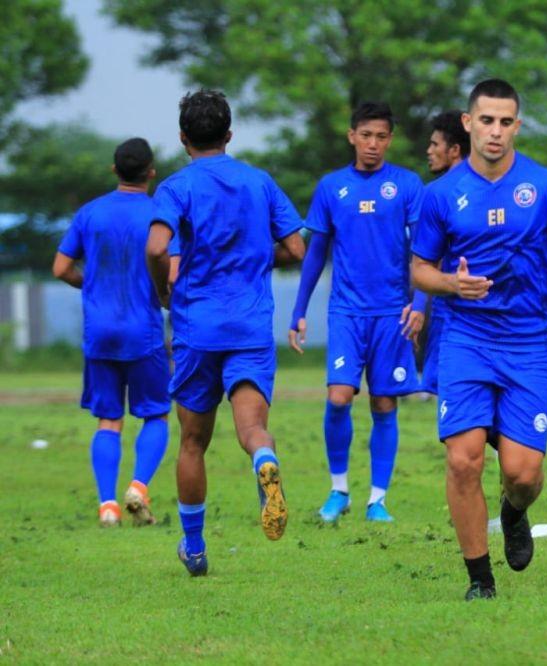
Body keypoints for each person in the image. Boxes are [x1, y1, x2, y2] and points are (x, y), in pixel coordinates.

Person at [411, 79, 547, 600]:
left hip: (528, 343)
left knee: (523, 472)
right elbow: (420, 269)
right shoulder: (440, 195)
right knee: (463, 458)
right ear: (468, 123)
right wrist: (452, 283)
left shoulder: (543, 186)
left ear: (517, 126)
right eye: (486, 120)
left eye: (505, 122)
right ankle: (480, 580)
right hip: (466, 339)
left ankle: (514, 511)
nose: (495, 131)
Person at [146, 89, 304, 576]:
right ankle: (262, 459)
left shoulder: (176, 187)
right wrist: (259, 258)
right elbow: (298, 248)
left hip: (198, 328)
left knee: (193, 443)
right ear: (229, 135)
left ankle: (193, 549)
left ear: (182, 138)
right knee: (253, 428)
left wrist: (162, 292)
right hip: (251, 325)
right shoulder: (259, 181)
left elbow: (156, 247)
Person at [288, 102, 425, 523]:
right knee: (338, 396)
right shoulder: (332, 187)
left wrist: (419, 305)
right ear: (352, 136)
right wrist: (299, 310)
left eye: (381, 137)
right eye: (366, 135)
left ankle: (377, 499)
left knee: (384, 404)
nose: (373, 144)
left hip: (392, 313)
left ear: (390, 140)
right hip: (346, 311)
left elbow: (424, 252)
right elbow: (315, 254)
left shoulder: (406, 185)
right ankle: (339, 489)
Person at [52, 138, 171, 528]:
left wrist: (90, 285)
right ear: (151, 172)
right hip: (144, 332)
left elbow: (61, 268)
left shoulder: (90, 213)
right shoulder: (159, 213)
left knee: (108, 421)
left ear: (114, 170)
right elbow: (169, 270)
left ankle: (107, 507)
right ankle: (138, 486)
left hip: (100, 332)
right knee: (156, 415)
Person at [418, 110, 471, 396]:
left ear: (454, 150)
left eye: (434, 144)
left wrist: (417, 307)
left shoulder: (438, 193)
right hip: (452, 312)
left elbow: (428, 261)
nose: (429, 151)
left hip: (455, 317)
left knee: (457, 403)